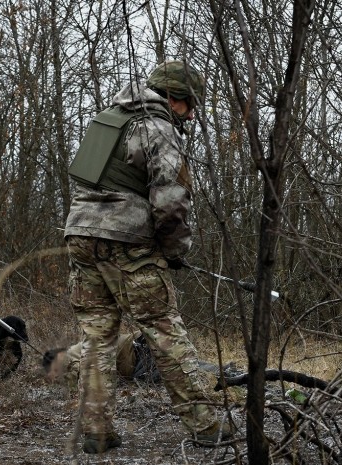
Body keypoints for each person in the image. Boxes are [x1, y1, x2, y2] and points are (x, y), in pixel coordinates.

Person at [63, 60, 232, 453]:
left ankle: (96, 431)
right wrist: (174, 251)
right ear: (179, 100)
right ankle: (205, 426)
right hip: (128, 242)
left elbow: (85, 180)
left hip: (80, 235)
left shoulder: (107, 120)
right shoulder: (160, 127)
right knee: (164, 331)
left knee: (96, 338)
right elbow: (171, 200)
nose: (191, 114)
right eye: (191, 106)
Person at [42, 331, 160, 386]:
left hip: (141, 348)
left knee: (145, 383)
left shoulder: (69, 354)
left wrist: (60, 382)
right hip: (142, 346)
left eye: (55, 371)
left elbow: (78, 373)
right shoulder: (78, 350)